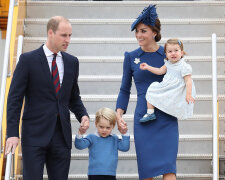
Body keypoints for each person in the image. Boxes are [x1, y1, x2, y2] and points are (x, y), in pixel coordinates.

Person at [5, 16, 90, 180]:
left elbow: (73, 97)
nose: (68, 40)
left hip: (61, 135)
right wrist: (12, 133)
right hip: (34, 135)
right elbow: (14, 99)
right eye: (64, 35)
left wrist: (83, 115)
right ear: (50, 32)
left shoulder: (72, 62)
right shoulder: (27, 60)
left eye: (70, 35)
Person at [116, 5, 178, 180]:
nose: (138, 35)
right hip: (144, 118)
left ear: (154, 32)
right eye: (136, 31)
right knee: (146, 172)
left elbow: (182, 78)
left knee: (169, 169)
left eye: (143, 31)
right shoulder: (130, 57)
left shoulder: (169, 55)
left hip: (167, 117)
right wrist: (119, 113)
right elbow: (124, 89)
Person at [140, 39, 196, 123]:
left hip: (177, 90)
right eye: (170, 51)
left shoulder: (184, 66)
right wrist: (148, 67)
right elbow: (159, 71)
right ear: (166, 54)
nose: (173, 53)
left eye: (176, 50)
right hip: (167, 86)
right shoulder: (168, 63)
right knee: (152, 89)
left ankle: (169, 111)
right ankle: (150, 113)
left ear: (181, 53)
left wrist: (188, 94)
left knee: (174, 101)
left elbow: (188, 81)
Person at [75, 107, 130, 180]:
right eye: (101, 127)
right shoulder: (91, 137)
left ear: (113, 126)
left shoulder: (114, 138)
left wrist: (124, 133)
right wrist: (80, 134)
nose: (104, 130)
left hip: (110, 174)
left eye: (108, 127)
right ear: (96, 124)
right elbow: (79, 146)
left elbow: (125, 147)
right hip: (94, 174)